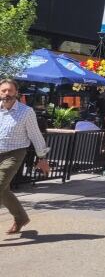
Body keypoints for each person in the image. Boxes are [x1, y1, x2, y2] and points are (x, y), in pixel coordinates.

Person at [0, 79, 51, 234]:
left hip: (14, 154)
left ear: (16, 92)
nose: (6, 94)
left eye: (9, 90)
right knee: (3, 190)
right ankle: (21, 217)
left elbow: (35, 135)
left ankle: (20, 218)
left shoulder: (26, 112)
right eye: (3, 91)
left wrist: (42, 158)